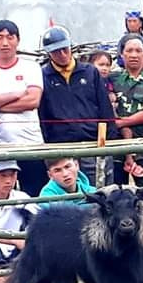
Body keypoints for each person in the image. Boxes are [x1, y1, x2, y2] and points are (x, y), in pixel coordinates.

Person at [38, 27, 118, 188]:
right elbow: (42, 113)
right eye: (55, 51)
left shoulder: (90, 72)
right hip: (61, 147)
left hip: (93, 143)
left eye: (64, 49)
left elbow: (105, 107)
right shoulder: (43, 76)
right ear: (48, 53)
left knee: (98, 190)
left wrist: (109, 140)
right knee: (66, 194)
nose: (61, 54)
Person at [0, 19, 47, 192]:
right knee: (0, 194)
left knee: (34, 195)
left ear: (18, 40)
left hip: (30, 143)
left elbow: (33, 100)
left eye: (10, 37)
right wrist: (17, 94)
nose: (5, 42)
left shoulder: (31, 67)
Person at [110, 34, 143, 187]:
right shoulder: (111, 79)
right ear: (122, 54)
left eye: (138, 50)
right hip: (115, 149)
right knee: (114, 196)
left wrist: (120, 123)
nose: (134, 55)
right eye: (129, 50)